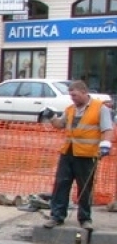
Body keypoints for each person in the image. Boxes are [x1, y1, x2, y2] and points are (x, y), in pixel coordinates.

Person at [43, 80, 113, 230]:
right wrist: (51, 117)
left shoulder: (100, 109)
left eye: (74, 95)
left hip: (87, 155)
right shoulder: (70, 110)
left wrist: (105, 144)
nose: (72, 98)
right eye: (70, 95)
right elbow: (60, 125)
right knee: (61, 184)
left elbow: (107, 129)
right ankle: (56, 216)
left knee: (85, 187)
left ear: (84, 92)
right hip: (68, 152)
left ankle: (85, 218)